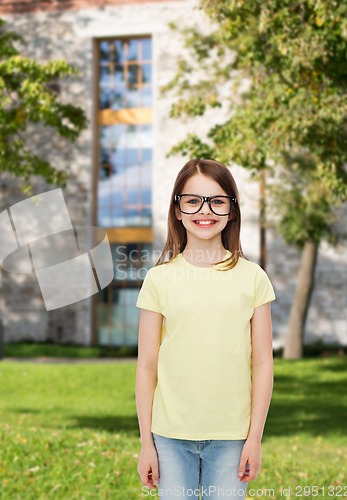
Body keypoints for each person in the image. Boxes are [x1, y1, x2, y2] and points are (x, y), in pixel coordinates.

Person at [135, 158, 275, 499]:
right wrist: (146, 443)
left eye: (217, 201)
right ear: (178, 209)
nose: (205, 210)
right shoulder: (159, 279)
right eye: (193, 200)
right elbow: (147, 365)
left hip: (232, 438)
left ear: (231, 210)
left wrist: (254, 438)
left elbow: (263, 363)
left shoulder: (252, 277)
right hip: (169, 437)